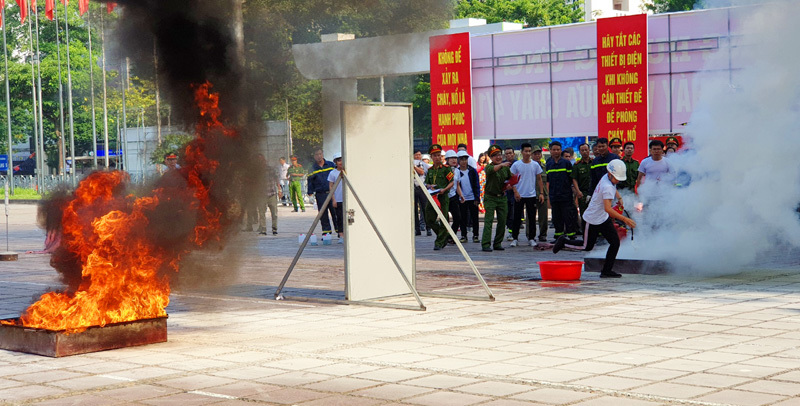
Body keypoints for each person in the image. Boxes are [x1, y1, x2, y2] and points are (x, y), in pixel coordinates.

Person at [553, 159, 636, 278]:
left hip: (603, 218)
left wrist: (619, 197)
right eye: (617, 178)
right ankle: (563, 242)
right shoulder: (607, 186)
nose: (617, 180)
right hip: (591, 220)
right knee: (587, 246)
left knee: (615, 243)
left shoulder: (607, 177)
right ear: (610, 174)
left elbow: (614, 188)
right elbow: (608, 208)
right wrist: (624, 219)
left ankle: (606, 271)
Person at [509, 142, 545, 247]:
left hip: (531, 195)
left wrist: (541, 193)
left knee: (532, 217)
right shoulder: (516, 165)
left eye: (529, 151)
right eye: (526, 151)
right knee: (516, 217)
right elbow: (512, 180)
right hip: (519, 195)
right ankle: (515, 238)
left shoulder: (535, 165)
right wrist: (515, 192)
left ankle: (531, 238)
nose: (528, 153)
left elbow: (539, 179)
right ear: (521, 152)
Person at [424, 144, 455, 250]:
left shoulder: (446, 169)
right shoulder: (431, 170)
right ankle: (445, 236)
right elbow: (426, 183)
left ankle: (439, 242)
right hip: (432, 197)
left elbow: (452, 182)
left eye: (439, 155)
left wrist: (445, 189)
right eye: (435, 156)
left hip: (442, 197)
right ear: (431, 157)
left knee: (443, 219)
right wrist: (429, 186)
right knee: (429, 219)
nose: (437, 158)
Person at [482, 145, 511, 252]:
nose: (498, 157)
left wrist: (509, 186)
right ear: (490, 157)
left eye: (499, 155)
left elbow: (510, 179)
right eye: (494, 156)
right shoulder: (488, 167)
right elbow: (493, 169)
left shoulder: (506, 168)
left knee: (502, 221)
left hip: (502, 197)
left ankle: (497, 243)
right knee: (488, 221)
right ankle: (485, 244)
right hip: (490, 197)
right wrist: (502, 164)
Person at [546, 141, 578, 240]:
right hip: (554, 195)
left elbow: (572, 179)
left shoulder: (566, 163)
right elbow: (547, 181)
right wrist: (548, 197)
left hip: (566, 195)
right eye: (554, 150)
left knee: (568, 215)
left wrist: (575, 192)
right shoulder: (549, 164)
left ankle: (571, 234)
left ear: (561, 150)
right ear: (550, 151)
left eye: (558, 150)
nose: (556, 152)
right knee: (556, 216)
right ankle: (558, 234)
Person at [307, 149, 336, 236]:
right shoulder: (312, 168)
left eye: (320, 154)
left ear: (323, 154)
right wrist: (310, 193)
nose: (319, 156)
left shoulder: (331, 165)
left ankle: (340, 232)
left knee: (335, 213)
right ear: (314, 156)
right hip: (320, 194)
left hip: (332, 194)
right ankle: (326, 233)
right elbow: (310, 181)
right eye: (317, 154)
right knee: (323, 214)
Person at [456, 151, 480, 243]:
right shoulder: (457, 172)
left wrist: (477, 198)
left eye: (465, 159)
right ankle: (463, 235)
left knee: (474, 217)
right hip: (462, 199)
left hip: (472, 198)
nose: (463, 161)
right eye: (461, 159)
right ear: (458, 161)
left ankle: (476, 235)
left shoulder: (472, 171)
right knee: (463, 218)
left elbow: (477, 185)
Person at [571, 143, 593, 231]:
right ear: (580, 152)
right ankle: (585, 234)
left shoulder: (594, 162)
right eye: (582, 150)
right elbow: (574, 179)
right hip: (583, 193)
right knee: (584, 215)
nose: (584, 152)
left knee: (595, 214)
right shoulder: (577, 165)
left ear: (589, 150)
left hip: (594, 192)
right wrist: (578, 191)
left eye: (586, 150)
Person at [258, 155, 280, 235]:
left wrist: (279, 189)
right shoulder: (256, 171)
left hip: (272, 194)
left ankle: (274, 229)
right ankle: (263, 229)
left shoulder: (270, 169)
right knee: (261, 213)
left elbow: (277, 178)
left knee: (274, 213)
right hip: (261, 195)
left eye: (261, 160)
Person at [413, 150, 432, 236]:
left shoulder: (424, 164)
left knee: (425, 208)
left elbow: (423, 172)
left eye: (419, 155)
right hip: (413, 187)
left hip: (422, 188)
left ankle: (428, 228)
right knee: (414, 210)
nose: (418, 156)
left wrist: (414, 167)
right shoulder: (410, 163)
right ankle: (417, 229)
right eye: (416, 155)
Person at [327, 153, 345, 243]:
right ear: (335, 162)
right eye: (338, 161)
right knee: (339, 217)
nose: (340, 162)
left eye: (342, 160)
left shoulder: (347, 171)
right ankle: (341, 235)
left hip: (347, 199)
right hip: (338, 199)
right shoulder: (333, 173)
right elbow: (331, 186)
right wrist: (333, 199)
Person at [444, 150, 461, 239]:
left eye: (455, 158)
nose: (454, 160)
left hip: (453, 197)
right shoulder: (443, 169)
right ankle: (444, 237)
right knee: (445, 220)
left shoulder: (457, 171)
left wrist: (461, 195)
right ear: (447, 159)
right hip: (444, 197)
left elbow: (457, 185)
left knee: (457, 218)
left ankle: (451, 236)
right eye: (451, 158)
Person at [533, 146, 549, 242]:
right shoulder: (529, 166)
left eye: (539, 153)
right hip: (531, 194)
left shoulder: (544, 167)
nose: (537, 155)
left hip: (543, 194)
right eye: (535, 154)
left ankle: (543, 235)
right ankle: (530, 235)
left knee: (543, 217)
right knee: (530, 217)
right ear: (532, 155)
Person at [503, 147, 517, 241]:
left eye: (510, 153)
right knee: (507, 213)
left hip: (515, 191)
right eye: (506, 153)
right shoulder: (502, 165)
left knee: (514, 212)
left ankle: (513, 232)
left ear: (513, 154)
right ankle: (510, 230)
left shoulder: (517, 164)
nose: (508, 155)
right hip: (505, 192)